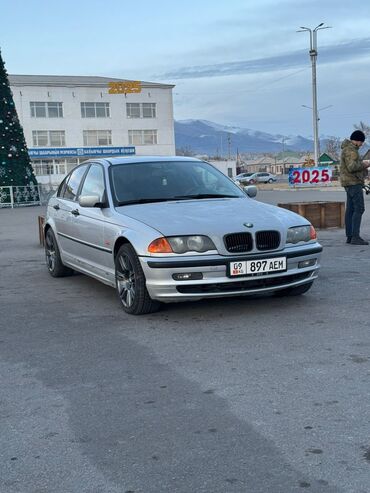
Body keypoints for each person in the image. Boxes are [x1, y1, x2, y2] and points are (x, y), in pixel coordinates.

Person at [340, 130, 370, 245]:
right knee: (359, 209)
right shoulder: (351, 150)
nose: (362, 144)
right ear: (357, 141)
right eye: (361, 142)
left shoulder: (347, 149)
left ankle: (350, 236)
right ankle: (355, 237)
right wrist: (365, 164)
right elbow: (352, 167)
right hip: (353, 183)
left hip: (349, 183)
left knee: (351, 210)